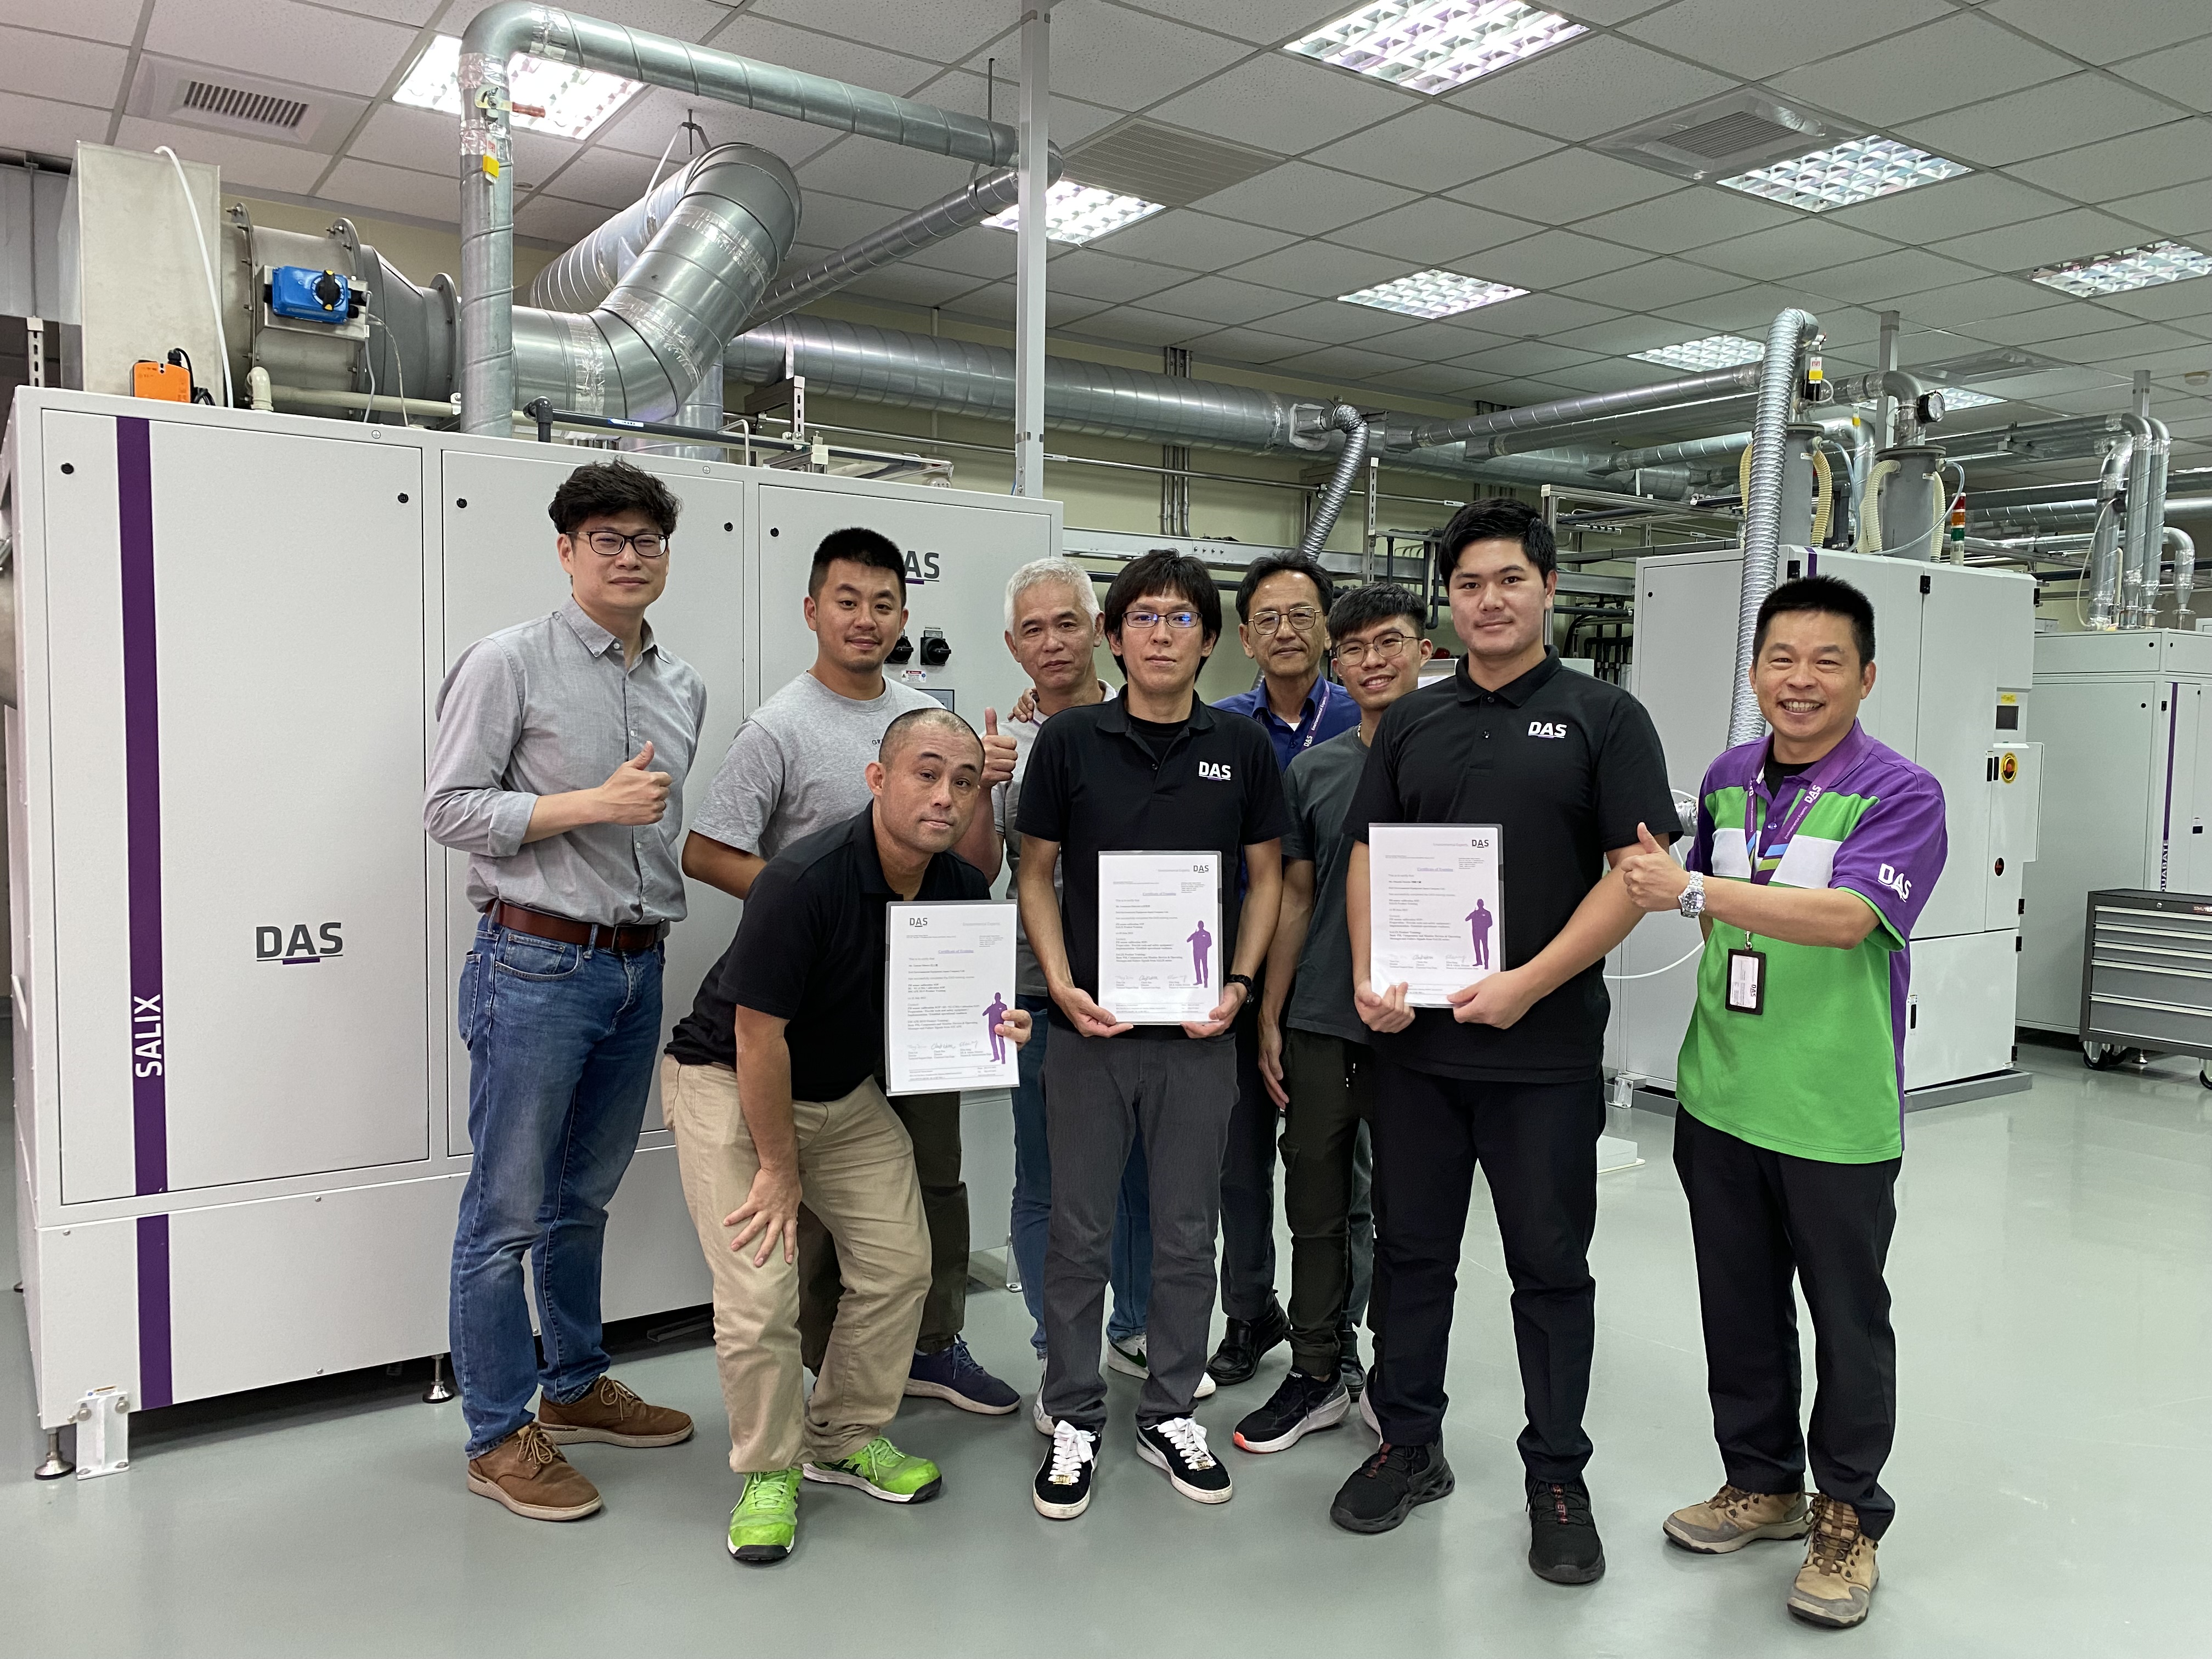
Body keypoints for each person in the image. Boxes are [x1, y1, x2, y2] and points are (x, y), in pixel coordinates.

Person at [1331, 498, 1678, 1587]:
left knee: (1548, 1271)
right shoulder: (1415, 721)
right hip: (1419, 1060)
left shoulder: (1604, 717)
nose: (1489, 600)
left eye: (1509, 581)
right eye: (1470, 584)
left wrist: (1529, 984)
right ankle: (1410, 1443)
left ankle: (1557, 1476)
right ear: (1451, 601)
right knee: (1411, 1255)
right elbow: (1368, 859)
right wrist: (1371, 973)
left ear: (1547, 589)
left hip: (1543, 1058)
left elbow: (1636, 876)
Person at [1618, 575, 1945, 1632]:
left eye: (1824, 661)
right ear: (1754, 670)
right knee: (1739, 1302)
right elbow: (1722, 924)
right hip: (1721, 1095)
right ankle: (1760, 1482)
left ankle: (1846, 1514)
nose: (1798, 681)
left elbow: (1848, 918)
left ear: (1865, 675)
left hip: (1834, 1111)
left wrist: (1696, 892)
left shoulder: (1902, 792)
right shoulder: (1725, 779)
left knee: (1848, 1318)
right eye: (1780, 659)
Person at [663, 708, 1034, 1565]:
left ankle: (841, 1436)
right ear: (879, 780)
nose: (945, 796)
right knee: (760, 1297)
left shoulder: (952, 890)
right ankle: (768, 1468)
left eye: (965, 782)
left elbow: (943, 1010)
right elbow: (758, 1038)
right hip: (731, 1079)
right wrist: (780, 1172)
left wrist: (992, 1024)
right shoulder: (804, 880)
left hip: (838, 1091)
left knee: (902, 1264)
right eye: (926, 773)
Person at [680, 526, 1020, 1417]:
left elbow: (972, 871)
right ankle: (834, 1367)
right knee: (818, 1209)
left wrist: (980, 793)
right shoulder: (780, 726)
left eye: (882, 604)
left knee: (932, 1177)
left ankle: (935, 1345)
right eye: (846, 600)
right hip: (818, 998)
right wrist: (818, 909)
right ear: (812, 610)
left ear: (903, 616)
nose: (864, 619)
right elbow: (705, 849)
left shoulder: (922, 713)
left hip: (922, 995)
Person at [425, 458, 704, 1522]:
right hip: (534, 964)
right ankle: (498, 1435)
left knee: (579, 1202)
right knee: (502, 1217)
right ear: (567, 551)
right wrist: (585, 804)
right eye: (607, 539)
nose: (629, 557)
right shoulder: (509, 663)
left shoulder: (681, 684)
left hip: (638, 966)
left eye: (646, 541)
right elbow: (449, 806)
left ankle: (576, 1385)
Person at [1019, 548, 1286, 1520]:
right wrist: (1057, 980)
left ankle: (1171, 1407)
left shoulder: (1241, 748)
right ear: (1113, 635)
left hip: (1199, 1030)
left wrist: (1244, 985)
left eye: (1181, 618)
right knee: (1079, 1230)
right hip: (1090, 1029)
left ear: (1209, 640)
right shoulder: (1069, 743)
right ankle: (1075, 1411)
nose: (1161, 633)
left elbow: (1266, 876)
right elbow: (1037, 871)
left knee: (1185, 1230)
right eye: (1143, 617)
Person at [1237, 583, 1434, 1458]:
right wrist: (1271, 1011)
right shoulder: (1312, 772)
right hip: (1320, 1017)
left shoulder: (1456, 758)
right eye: (1355, 650)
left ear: (1425, 650)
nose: (1372, 662)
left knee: (1409, 1211)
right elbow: (1292, 900)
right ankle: (1316, 1367)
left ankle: (1399, 1380)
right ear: (1335, 661)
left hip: (1426, 1027)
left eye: (1390, 643)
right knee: (1312, 1196)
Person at [992, 557, 1177, 1414]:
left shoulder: (1148, 716)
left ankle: (1134, 1324)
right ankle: (1053, 1344)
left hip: (1152, 986)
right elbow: (980, 874)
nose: (1052, 641)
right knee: (1049, 1178)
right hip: (1041, 989)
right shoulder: (1003, 747)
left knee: (1141, 1174)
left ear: (1098, 627)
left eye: (1067, 622)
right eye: (1033, 628)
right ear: (1012, 645)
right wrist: (975, 787)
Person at [1207, 550, 1359, 1388]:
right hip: (1235, 964)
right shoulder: (1224, 728)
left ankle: (1336, 1327)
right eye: (1267, 618)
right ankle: (1249, 1311)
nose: (1286, 631)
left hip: (1337, 974)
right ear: (1244, 637)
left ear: (1328, 629)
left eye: (1302, 614)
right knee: (1240, 1161)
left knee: (1339, 1166)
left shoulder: (1370, 719)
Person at [1470, 900, 1493, 969]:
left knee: (1485, 948)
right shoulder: (1475, 913)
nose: (1480, 905)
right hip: (1476, 933)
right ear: (1477, 904)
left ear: (1482, 904)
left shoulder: (1487, 913)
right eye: (1479, 904)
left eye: (1481, 903)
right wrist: (1473, 913)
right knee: (1477, 948)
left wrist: (1484, 927)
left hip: (1483, 933)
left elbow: (1490, 923)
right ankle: (1479, 962)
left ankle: (1486, 964)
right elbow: (1467, 919)